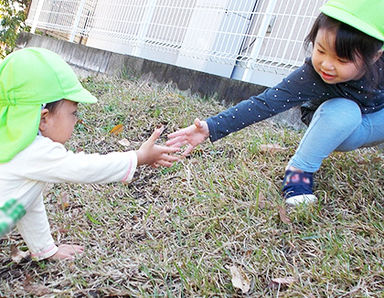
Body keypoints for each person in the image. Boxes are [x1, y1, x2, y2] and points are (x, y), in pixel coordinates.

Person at [167, 0, 384, 206]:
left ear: (375, 57)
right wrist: (211, 127)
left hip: (376, 123)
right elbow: (265, 103)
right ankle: (299, 171)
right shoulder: (312, 76)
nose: (326, 65)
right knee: (345, 110)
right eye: (320, 50)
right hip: (338, 128)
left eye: (342, 60)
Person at [0, 47, 180, 261]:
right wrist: (138, 157)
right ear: (44, 118)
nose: (76, 120)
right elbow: (85, 168)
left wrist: (45, 249)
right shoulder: (34, 151)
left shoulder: (13, 145)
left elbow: (25, 203)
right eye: (73, 113)